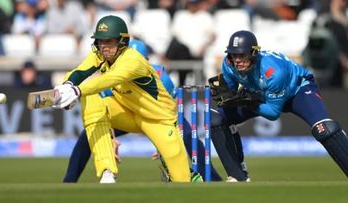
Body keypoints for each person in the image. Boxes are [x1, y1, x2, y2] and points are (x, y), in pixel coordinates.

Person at [52, 15, 191, 183]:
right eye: (100, 41)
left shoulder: (133, 60)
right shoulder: (101, 54)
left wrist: (76, 91)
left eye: (109, 41)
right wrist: (67, 85)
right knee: (92, 101)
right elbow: (81, 71)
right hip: (127, 112)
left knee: (182, 179)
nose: (103, 46)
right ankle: (107, 172)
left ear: (122, 41)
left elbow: (107, 80)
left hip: (158, 120)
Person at [62, 39, 222, 183]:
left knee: (188, 135)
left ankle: (211, 179)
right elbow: (102, 105)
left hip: (156, 117)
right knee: (89, 132)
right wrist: (109, 135)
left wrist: (160, 142)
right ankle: (69, 182)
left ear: (146, 61)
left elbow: (170, 110)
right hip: (128, 114)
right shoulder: (114, 72)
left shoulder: (160, 77)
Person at [208, 30, 348, 182]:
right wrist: (225, 97)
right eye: (233, 55)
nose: (237, 60)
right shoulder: (228, 65)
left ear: (254, 53)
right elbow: (230, 93)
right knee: (215, 118)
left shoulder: (274, 72)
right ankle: (238, 177)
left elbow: (273, 112)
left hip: (298, 90)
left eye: (242, 55)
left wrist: (247, 101)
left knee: (324, 130)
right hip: (261, 93)